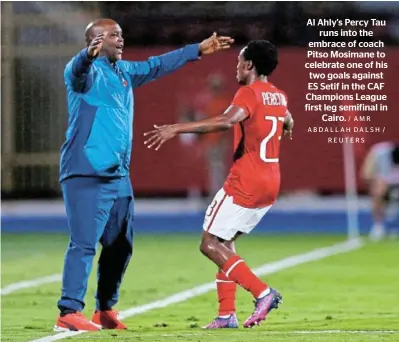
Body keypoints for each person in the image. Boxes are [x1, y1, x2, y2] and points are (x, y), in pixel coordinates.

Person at [55, 18, 234, 332]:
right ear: (95, 41)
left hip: (118, 176)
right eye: (113, 35)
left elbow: (156, 65)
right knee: (84, 243)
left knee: (121, 245)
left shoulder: (123, 73)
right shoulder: (85, 73)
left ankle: (105, 310)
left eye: (122, 34)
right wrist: (87, 56)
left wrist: (198, 50)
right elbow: (76, 72)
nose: (121, 39)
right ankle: (68, 311)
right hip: (87, 172)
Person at [144, 40, 294, 329]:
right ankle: (226, 314)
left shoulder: (248, 92)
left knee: (209, 243)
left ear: (249, 64)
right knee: (226, 243)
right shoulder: (278, 95)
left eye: (239, 61)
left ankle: (262, 293)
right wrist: (288, 125)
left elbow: (227, 121)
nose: (236, 66)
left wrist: (177, 127)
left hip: (246, 179)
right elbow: (287, 118)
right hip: (271, 181)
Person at [361, 142, 399, 240]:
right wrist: (378, 181)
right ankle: (378, 227)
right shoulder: (379, 152)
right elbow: (366, 174)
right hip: (384, 186)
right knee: (378, 192)